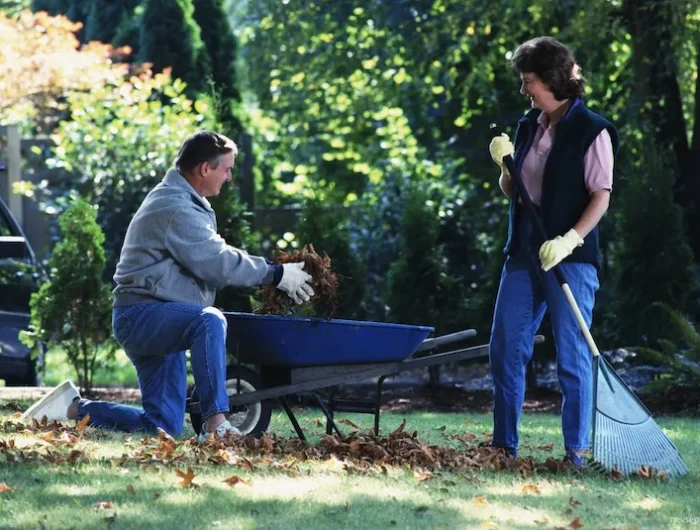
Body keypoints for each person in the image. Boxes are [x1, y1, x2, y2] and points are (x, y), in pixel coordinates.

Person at [21, 130, 315, 441]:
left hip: (161, 316)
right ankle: (217, 425)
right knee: (209, 319)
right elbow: (216, 261)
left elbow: (210, 262)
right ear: (205, 168)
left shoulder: (183, 200)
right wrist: (275, 274)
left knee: (161, 426)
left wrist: (273, 274)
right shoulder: (176, 207)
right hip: (143, 316)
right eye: (226, 169)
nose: (228, 177)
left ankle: (72, 408)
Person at [486, 37, 619, 467]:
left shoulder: (592, 130)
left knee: (572, 355)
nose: (525, 91)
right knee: (506, 346)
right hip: (523, 253)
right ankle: (503, 446)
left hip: (571, 258)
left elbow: (601, 195)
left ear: (554, 80)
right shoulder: (528, 124)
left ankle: (576, 453)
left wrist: (570, 240)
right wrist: (505, 166)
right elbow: (516, 193)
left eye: (530, 82)